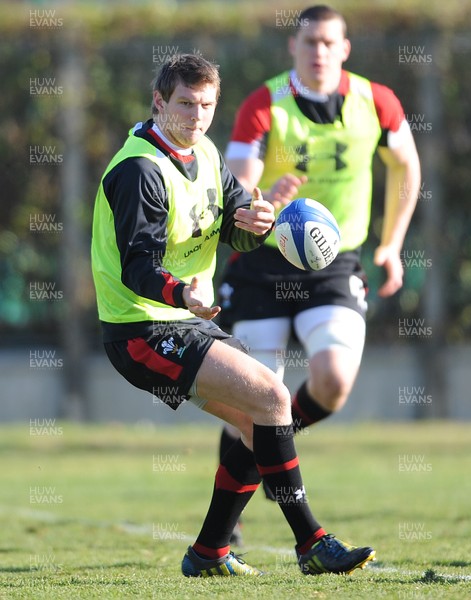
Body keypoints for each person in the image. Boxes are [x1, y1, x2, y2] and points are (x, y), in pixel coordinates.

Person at [91, 53, 376, 578]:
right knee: (272, 397)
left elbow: (237, 223)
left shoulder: (204, 153)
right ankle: (311, 543)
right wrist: (183, 296)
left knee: (256, 423)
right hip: (141, 328)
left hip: (183, 321)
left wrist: (261, 221)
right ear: (159, 103)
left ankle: (208, 553)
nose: (196, 116)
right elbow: (138, 267)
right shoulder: (139, 170)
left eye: (206, 105)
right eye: (184, 104)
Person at [217, 4, 421, 525]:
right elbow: (237, 182)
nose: (319, 52)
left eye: (330, 43)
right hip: (262, 261)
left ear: (345, 48)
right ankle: (228, 525)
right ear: (294, 48)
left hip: (334, 265)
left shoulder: (376, 101)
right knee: (256, 394)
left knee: (331, 379)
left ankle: (269, 450)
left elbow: (406, 167)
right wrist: (262, 194)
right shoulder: (265, 102)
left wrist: (392, 244)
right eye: (310, 43)